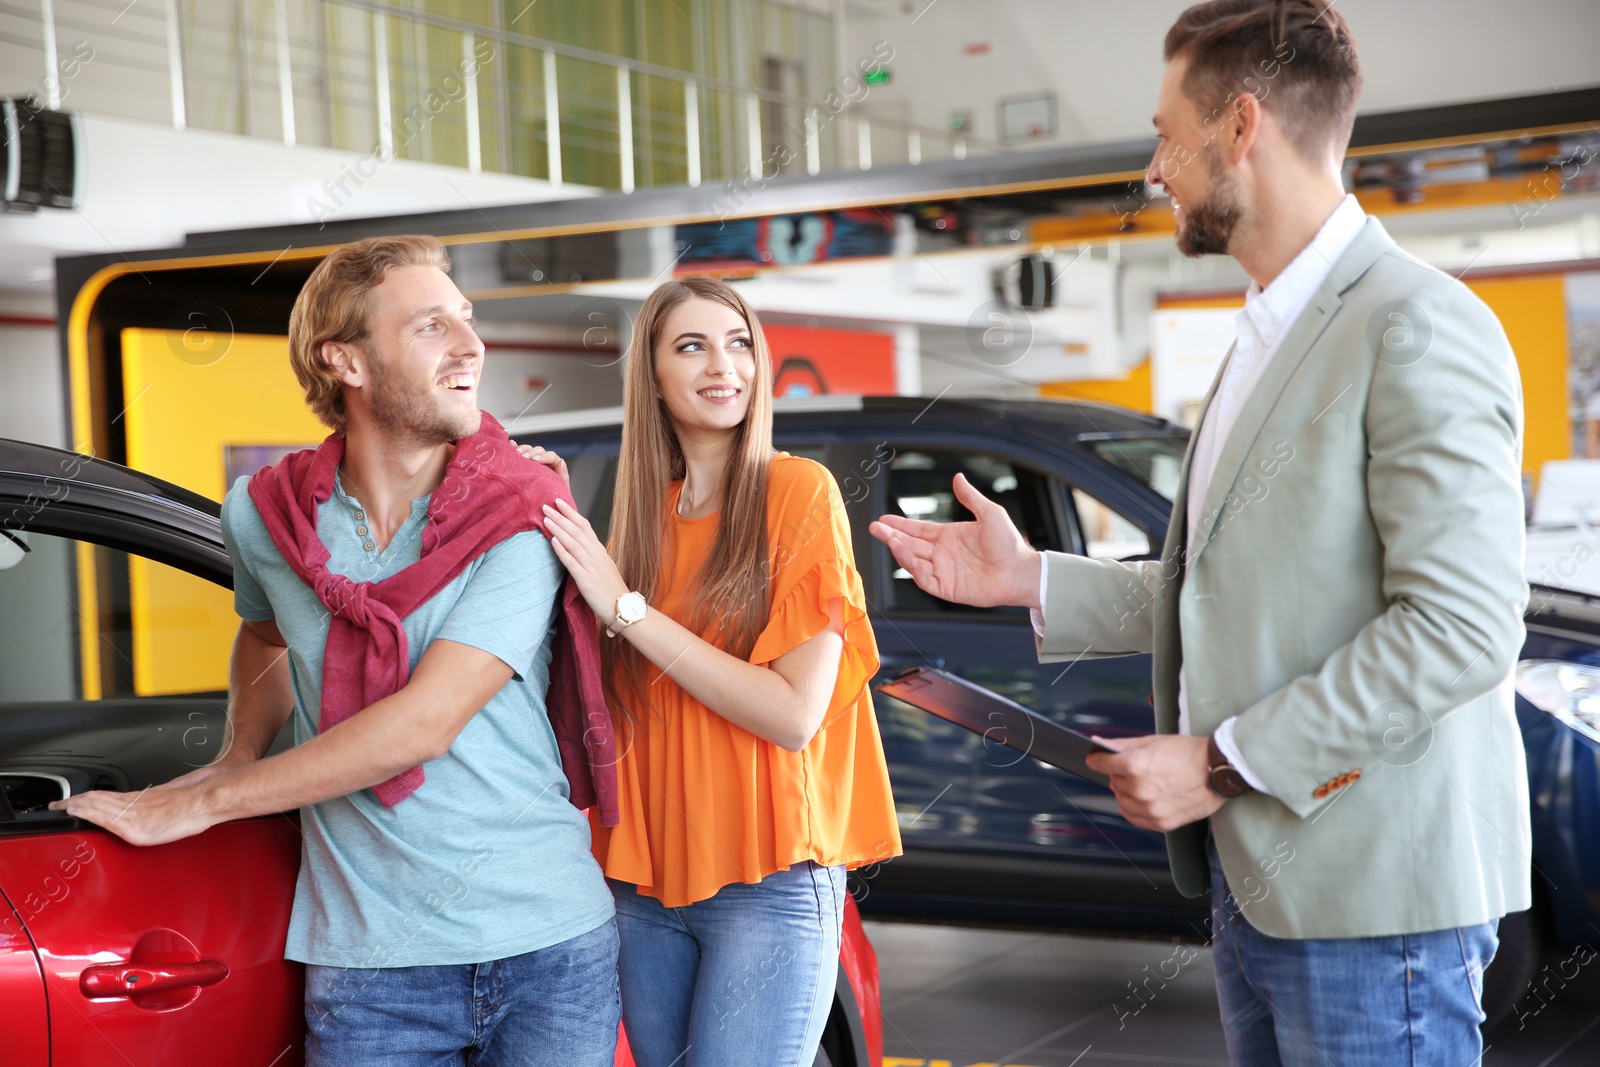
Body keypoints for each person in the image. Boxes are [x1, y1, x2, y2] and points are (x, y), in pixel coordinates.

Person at [872, 2, 1529, 1064]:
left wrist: (1220, 762)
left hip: (1371, 902)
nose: (1154, 169)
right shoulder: (1264, 334)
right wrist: (1031, 576)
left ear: (1241, 127)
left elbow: (1459, 627)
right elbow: (1230, 585)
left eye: (1166, 134)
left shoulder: (1413, 321)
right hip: (1257, 884)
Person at [56, 234, 623, 1066]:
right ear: (346, 361)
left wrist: (207, 799)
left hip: (549, 944)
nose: (473, 345)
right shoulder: (262, 514)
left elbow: (424, 724)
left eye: (466, 320)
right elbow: (264, 629)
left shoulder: (520, 511)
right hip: (371, 967)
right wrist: (236, 749)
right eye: (433, 326)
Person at [535, 274, 901, 1067]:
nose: (723, 365)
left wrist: (626, 608)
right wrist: (566, 540)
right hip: (644, 882)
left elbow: (793, 712)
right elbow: (602, 705)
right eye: (691, 345)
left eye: (739, 343)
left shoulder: (798, 492)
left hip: (767, 882)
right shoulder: (640, 524)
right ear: (654, 378)